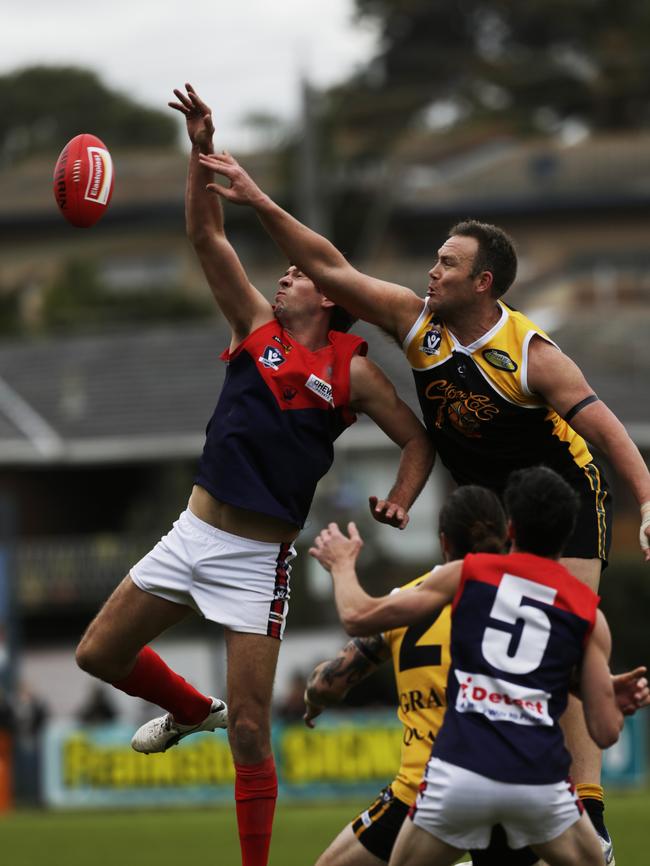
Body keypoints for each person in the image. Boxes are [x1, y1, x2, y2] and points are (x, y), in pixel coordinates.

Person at [191, 148, 650, 861]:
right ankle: (477, 788)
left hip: (562, 494)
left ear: (483, 281)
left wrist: (647, 499)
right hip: (484, 501)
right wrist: (256, 198)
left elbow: (606, 428)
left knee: (568, 626)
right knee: (467, 616)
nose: (429, 272)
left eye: (445, 263)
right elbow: (329, 266)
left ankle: (589, 816)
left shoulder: (532, 354)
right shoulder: (417, 324)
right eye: (433, 260)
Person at [74, 85, 433, 866]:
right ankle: (187, 709)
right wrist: (201, 150)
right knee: (96, 656)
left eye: (299, 275)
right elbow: (206, 234)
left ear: (328, 294)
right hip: (193, 531)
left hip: (257, 561)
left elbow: (417, 441)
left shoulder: (355, 372)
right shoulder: (255, 327)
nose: (285, 278)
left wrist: (401, 499)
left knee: (250, 734)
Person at [308, 466, 650, 866]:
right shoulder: (585, 610)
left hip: (459, 776)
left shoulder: (471, 574)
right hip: (538, 784)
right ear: (569, 531)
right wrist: (606, 695)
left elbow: (356, 616)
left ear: (512, 530)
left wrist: (342, 564)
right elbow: (605, 733)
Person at [306, 484, 542, 866]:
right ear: (508, 535)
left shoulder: (405, 602)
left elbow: (327, 683)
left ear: (444, 542)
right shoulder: (530, 603)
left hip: (427, 789)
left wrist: (312, 702)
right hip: (516, 784)